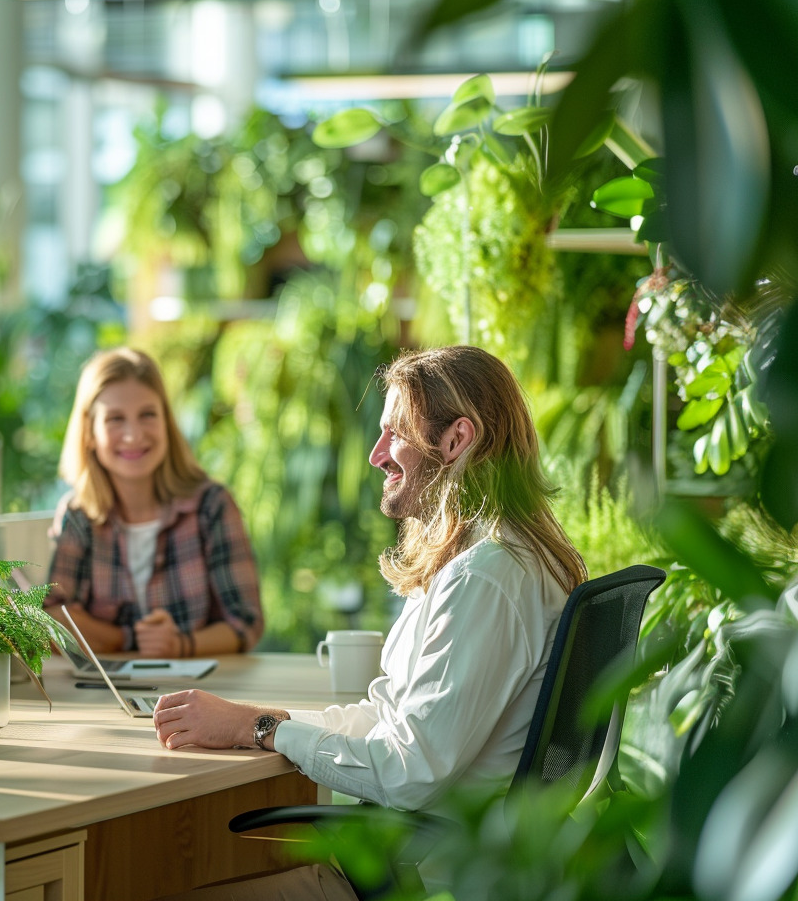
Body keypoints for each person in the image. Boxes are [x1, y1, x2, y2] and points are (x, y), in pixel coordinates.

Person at [151, 345, 587, 900]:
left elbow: (409, 771)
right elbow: (391, 715)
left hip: (428, 878)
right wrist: (261, 718)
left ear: (457, 440)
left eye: (394, 433)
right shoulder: (493, 558)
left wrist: (255, 731)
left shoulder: (487, 576)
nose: (377, 454)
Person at [44, 346, 263, 657]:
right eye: (115, 419)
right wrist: (127, 638)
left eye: (147, 415)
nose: (133, 435)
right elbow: (54, 622)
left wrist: (181, 645)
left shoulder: (212, 506)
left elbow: (245, 623)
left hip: (205, 690)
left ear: (166, 422)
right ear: (89, 432)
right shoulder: (78, 516)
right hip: (105, 694)